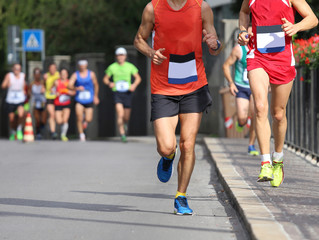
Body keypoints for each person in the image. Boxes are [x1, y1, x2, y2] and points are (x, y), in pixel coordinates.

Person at [134, 0, 222, 215]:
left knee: (188, 144)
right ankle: (167, 158)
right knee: (166, 146)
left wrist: (214, 44)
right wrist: (150, 52)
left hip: (194, 84)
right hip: (163, 87)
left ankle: (181, 196)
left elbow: (215, 47)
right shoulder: (152, 8)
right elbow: (139, 40)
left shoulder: (202, 7)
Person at [238, 0, 318, 187]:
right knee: (259, 106)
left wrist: (295, 27)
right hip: (257, 56)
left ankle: (278, 159)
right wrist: (242, 31)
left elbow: (313, 19)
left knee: (278, 114)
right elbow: (243, 13)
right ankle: (265, 162)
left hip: (282, 58)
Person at [223, 25, 259, 156]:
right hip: (242, 87)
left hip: (256, 87)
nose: (249, 36)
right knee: (243, 119)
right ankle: (242, 121)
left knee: (256, 115)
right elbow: (226, 65)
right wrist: (231, 83)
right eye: (247, 34)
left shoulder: (261, 48)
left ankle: (251, 144)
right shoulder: (238, 49)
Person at [103, 47, 142, 142]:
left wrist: (134, 85)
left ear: (125, 56)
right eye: (119, 55)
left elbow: (138, 78)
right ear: (116, 56)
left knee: (126, 116)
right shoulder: (112, 67)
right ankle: (122, 134)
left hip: (127, 92)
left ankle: (125, 124)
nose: (120, 57)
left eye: (122, 55)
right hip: (117, 92)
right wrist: (109, 83)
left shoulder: (130, 66)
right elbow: (105, 79)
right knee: (120, 114)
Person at [68, 60, 100, 142]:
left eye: (84, 65)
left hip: (89, 98)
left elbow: (96, 85)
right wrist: (76, 88)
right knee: (79, 117)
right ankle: (81, 134)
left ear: (86, 65)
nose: (82, 66)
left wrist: (95, 96)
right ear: (79, 66)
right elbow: (69, 85)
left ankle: (85, 123)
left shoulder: (91, 74)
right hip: (79, 99)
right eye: (81, 65)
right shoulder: (75, 75)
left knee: (89, 118)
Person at [1, 63, 26, 141]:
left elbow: (24, 85)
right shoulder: (9, 76)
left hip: (20, 99)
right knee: (11, 118)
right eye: (15, 69)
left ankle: (19, 130)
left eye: (18, 69)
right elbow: (3, 85)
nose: (17, 70)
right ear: (13, 69)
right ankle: (13, 131)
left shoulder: (23, 75)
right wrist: (7, 84)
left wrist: (25, 90)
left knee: (21, 114)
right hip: (11, 99)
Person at [54, 69, 75, 141]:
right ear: (60, 74)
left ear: (67, 75)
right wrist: (55, 93)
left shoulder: (69, 83)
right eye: (62, 74)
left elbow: (74, 92)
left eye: (65, 74)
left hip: (66, 103)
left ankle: (63, 135)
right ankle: (58, 132)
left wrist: (69, 92)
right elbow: (51, 90)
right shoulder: (57, 82)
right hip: (58, 103)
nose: (63, 75)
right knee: (59, 121)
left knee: (65, 119)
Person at [29, 67, 47, 140]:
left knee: (43, 120)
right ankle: (38, 133)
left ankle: (42, 128)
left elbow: (48, 88)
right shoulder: (31, 84)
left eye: (38, 74)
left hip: (42, 102)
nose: (37, 76)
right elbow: (29, 93)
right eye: (36, 74)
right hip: (35, 103)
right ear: (34, 75)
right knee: (37, 119)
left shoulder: (43, 83)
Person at [44, 63, 60, 139]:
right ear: (49, 69)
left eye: (54, 68)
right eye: (51, 68)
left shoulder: (58, 75)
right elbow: (43, 86)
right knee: (52, 114)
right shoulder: (46, 76)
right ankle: (53, 132)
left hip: (57, 97)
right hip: (49, 97)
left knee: (57, 117)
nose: (52, 70)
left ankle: (51, 127)